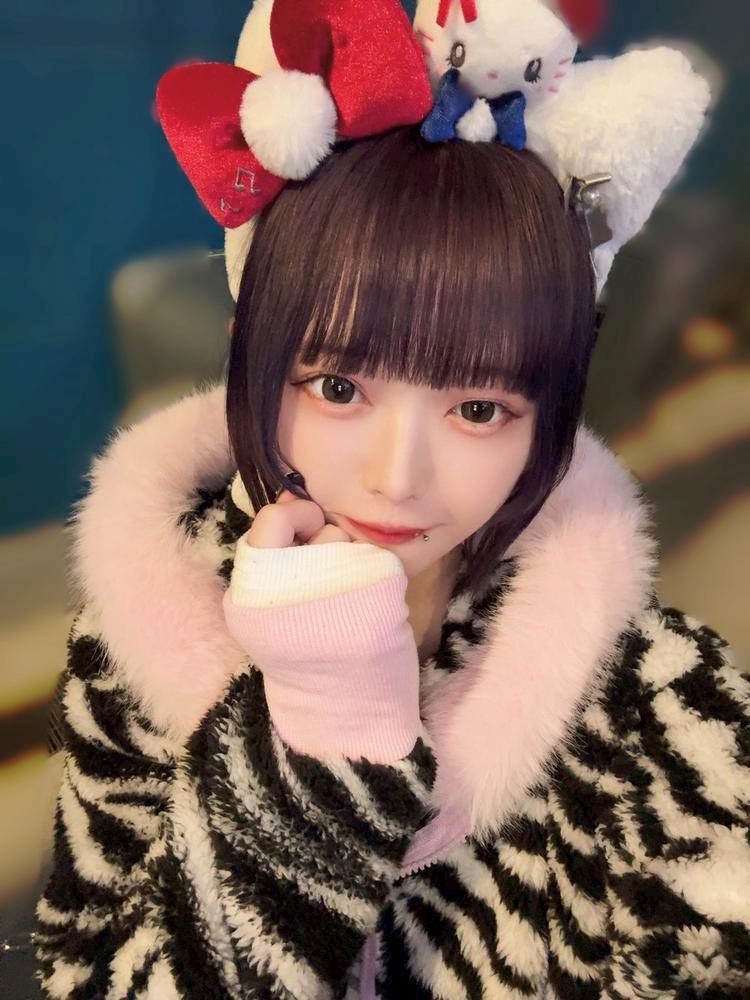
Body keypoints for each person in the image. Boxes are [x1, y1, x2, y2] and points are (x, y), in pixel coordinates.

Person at [36, 1, 749, 997]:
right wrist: (320, 752)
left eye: (478, 408)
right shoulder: (132, 637)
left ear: (549, 412)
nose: (396, 476)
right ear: (254, 359)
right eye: (337, 387)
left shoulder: (665, 710)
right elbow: (85, 966)